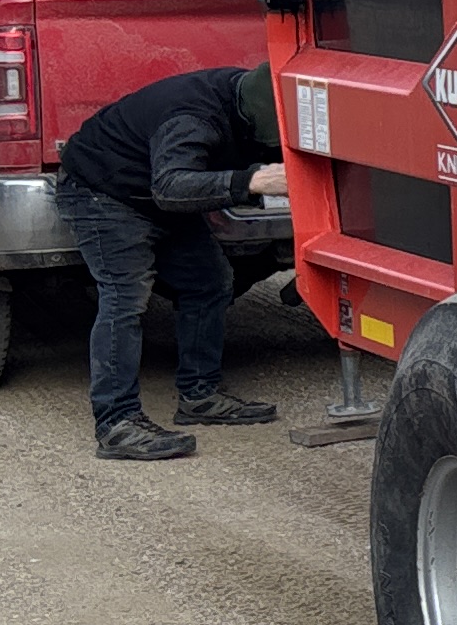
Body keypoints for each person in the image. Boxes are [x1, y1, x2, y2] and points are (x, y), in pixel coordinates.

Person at [59, 60, 287, 461]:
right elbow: (170, 187)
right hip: (104, 191)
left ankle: (199, 395)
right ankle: (116, 423)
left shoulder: (254, 92)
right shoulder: (193, 119)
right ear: (251, 122)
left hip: (152, 193)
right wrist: (250, 181)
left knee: (209, 281)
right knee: (125, 296)